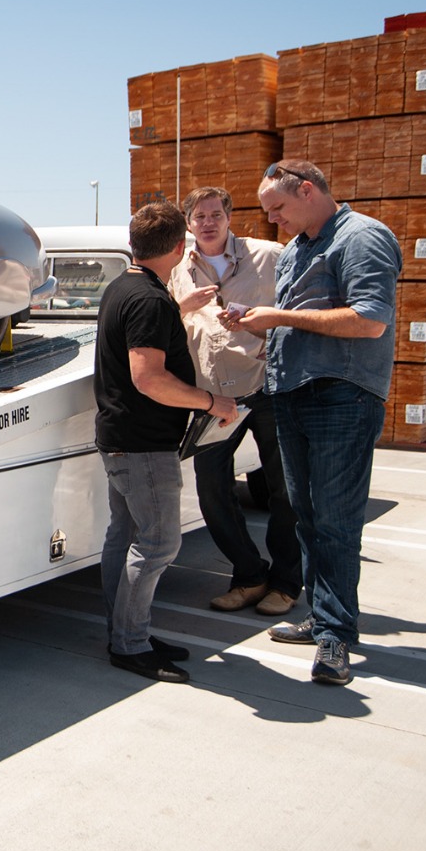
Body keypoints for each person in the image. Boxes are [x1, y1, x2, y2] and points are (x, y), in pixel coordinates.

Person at [226, 161, 401, 686]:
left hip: (339, 397)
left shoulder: (362, 238)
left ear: (308, 190)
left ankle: (335, 636)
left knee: (336, 521)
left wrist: (277, 318)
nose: (273, 220)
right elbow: (307, 318)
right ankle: (325, 615)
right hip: (294, 394)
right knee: (306, 517)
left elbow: (369, 320)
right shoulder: (300, 247)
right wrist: (260, 326)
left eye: (278, 208)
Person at [97, 201, 239, 682]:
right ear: (180, 248)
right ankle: (130, 644)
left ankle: (124, 631)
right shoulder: (150, 300)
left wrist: (180, 308)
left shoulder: (124, 288)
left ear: (133, 244)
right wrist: (211, 402)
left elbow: (141, 335)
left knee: (124, 537)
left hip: (120, 438)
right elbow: (149, 378)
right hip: (143, 445)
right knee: (157, 545)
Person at [170, 187, 302, 617]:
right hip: (213, 396)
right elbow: (163, 321)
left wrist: (276, 341)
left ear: (229, 217)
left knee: (285, 490)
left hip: (266, 388)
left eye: (215, 215)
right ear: (189, 223)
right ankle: (249, 575)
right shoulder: (177, 268)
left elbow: (303, 306)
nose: (207, 223)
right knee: (211, 490)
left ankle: (285, 583)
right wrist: (181, 306)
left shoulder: (269, 255)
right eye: (199, 216)